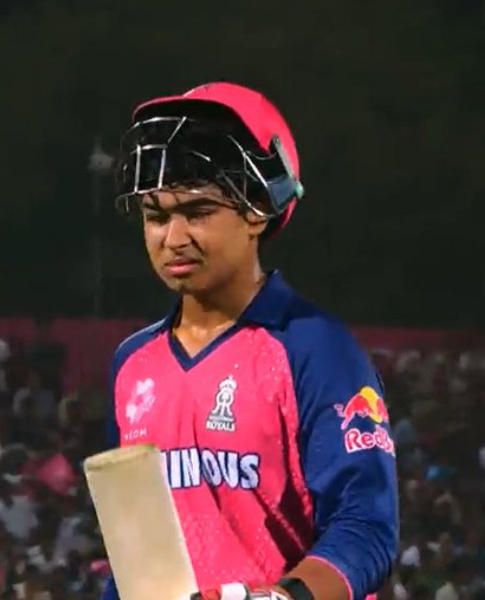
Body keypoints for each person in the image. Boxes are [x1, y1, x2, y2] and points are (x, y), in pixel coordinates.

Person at [102, 83, 398, 600]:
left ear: (258, 210)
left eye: (198, 212)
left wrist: (280, 598)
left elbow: (366, 528)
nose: (173, 238)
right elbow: (135, 563)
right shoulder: (132, 364)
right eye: (156, 216)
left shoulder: (317, 350)